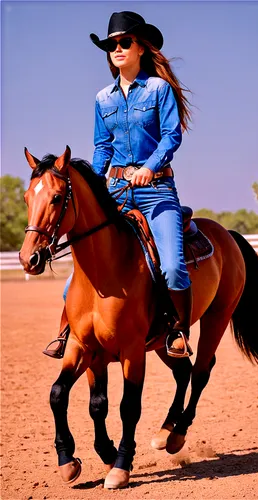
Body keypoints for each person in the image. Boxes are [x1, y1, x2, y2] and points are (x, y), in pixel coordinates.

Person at [43, 11, 193, 360]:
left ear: (141, 48)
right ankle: (67, 329)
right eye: (112, 45)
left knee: (171, 265)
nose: (118, 48)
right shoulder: (103, 98)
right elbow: (102, 147)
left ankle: (177, 331)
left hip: (156, 192)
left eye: (125, 42)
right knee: (81, 269)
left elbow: (171, 136)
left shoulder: (159, 89)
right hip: (116, 192)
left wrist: (149, 167)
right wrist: (95, 184)